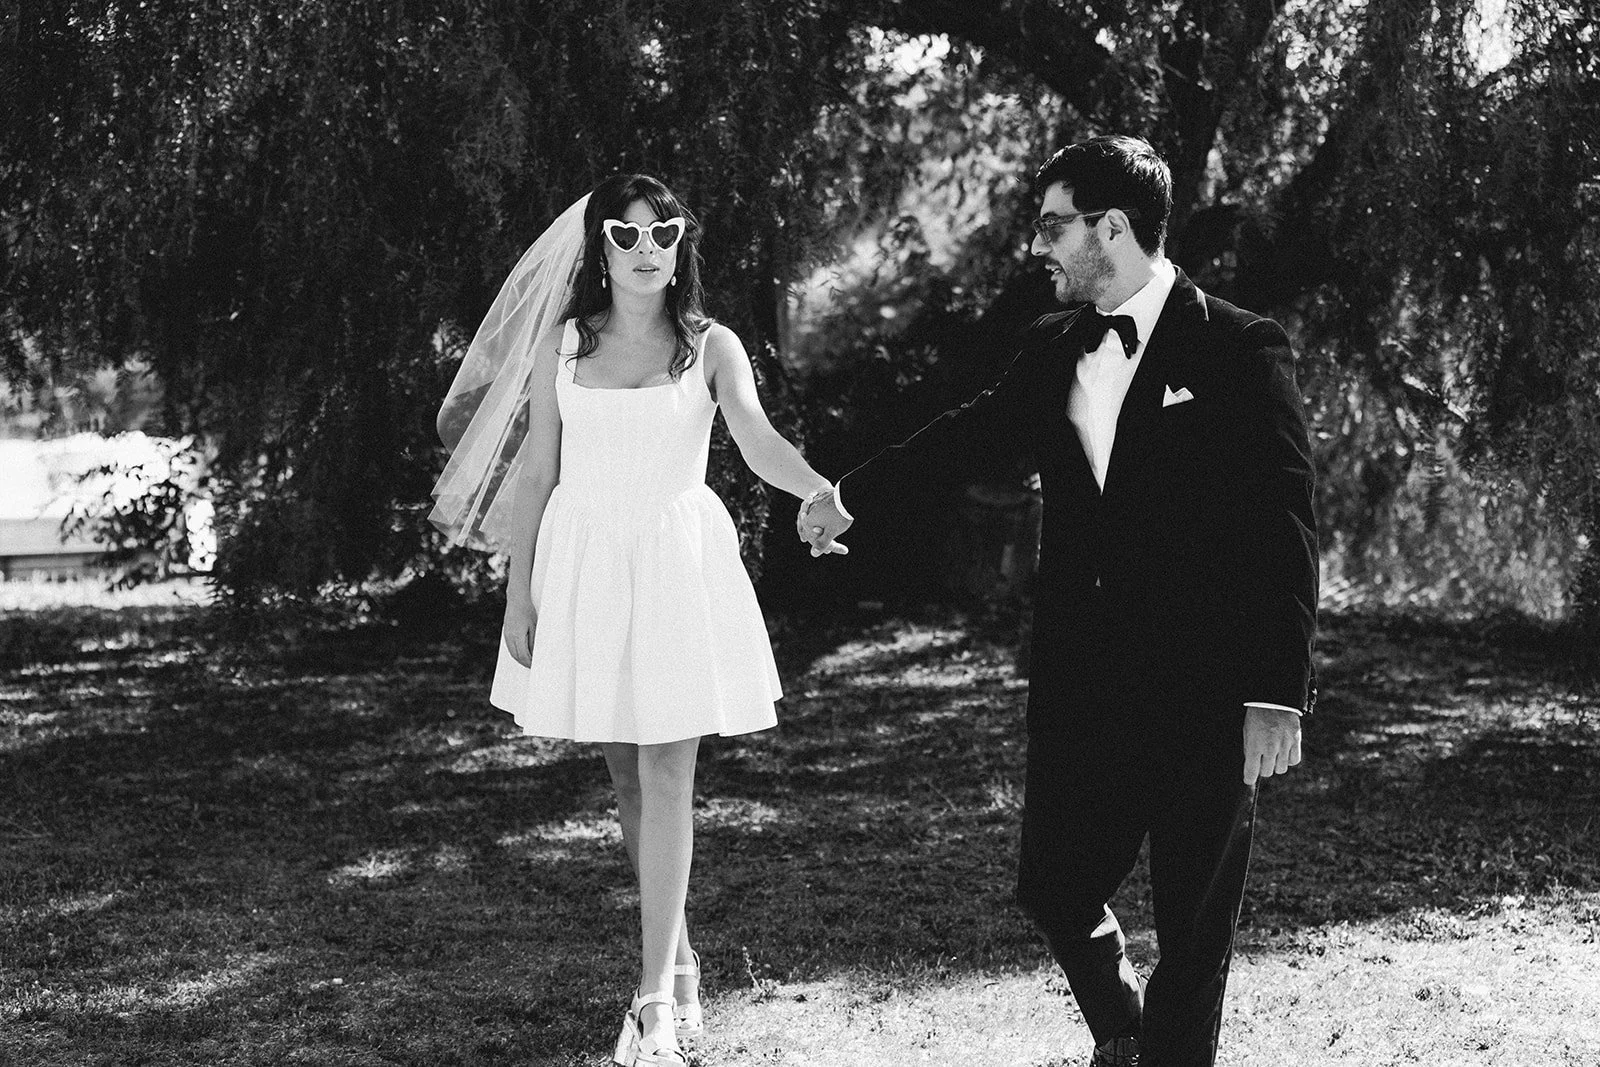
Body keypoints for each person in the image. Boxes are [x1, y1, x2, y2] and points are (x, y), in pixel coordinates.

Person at [801, 135, 1318, 1067]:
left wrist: (1277, 689)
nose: (1038, 246)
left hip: (1206, 686)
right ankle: (1123, 1025)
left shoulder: (1240, 346)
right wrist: (848, 495)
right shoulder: (1050, 349)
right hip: (1084, 676)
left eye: (1052, 225)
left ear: (1111, 227)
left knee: (1195, 914)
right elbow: (961, 438)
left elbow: (1284, 523)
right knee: (1051, 881)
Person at [430, 174, 844, 1067]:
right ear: (601, 247)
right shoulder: (563, 346)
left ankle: (653, 1001)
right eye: (626, 234)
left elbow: (758, 438)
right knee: (625, 773)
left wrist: (817, 489)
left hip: (675, 568)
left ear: (682, 242)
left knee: (667, 771)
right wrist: (518, 592)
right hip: (585, 566)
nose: (646, 249)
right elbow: (537, 474)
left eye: (663, 234)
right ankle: (685, 960)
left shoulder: (711, 347)